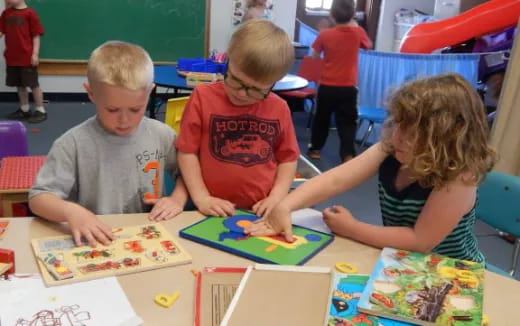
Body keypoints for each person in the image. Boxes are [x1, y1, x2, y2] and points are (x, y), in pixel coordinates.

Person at [246, 74, 497, 262]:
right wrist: (286, 205)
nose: (395, 136)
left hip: (453, 272)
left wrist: (353, 229)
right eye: (397, 124)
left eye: (409, 133)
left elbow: (420, 241)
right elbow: (336, 180)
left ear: (443, 139)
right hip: (402, 260)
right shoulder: (392, 148)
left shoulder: (459, 176)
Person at [29, 41, 189, 247]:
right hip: (98, 238)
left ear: (150, 91)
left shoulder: (162, 134)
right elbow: (38, 197)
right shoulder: (72, 143)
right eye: (112, 110)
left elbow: (188, 174)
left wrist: (177, 198)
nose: (125, 121)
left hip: (150, 235)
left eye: (135, 109)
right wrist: (72, 212)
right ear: (91, 93)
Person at [176, 19, 299, 218]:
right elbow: (187, 152)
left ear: (274, 84)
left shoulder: (279, 108)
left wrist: (276, 198)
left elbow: (288, 159)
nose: (242, 94)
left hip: (259, 212)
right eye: (236, 80)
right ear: (227, 62)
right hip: (207, 209)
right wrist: (201, 198)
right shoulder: (202, 97)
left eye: (257, 90)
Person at [307, 0, 371, 162]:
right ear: (352, 15)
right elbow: (368, 46)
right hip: (348, 87)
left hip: (327, 86)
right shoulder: (358, 32)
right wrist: (355, 25)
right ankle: (347, 155)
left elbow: (314, 57)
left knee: (321, 119)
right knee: (348, 123)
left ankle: (315, 149)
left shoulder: (325, 34)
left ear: (331, 15)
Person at [0, 0, 47, 123]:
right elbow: (1, 31)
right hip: (12, 57)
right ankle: (24, 109)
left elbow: (36, 35)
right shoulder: (6, 13)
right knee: (19, 85)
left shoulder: (30, 13)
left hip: (27, 57)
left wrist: (35, 54)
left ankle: (40, 110)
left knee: (33, 84)